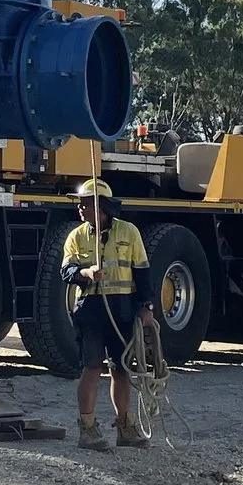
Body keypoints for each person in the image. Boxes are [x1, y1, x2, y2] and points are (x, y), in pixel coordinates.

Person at [61, 177, 154, 450]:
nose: (80, 209)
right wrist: (86, 274)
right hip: (90, 311)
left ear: (102, 205)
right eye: (79, 204)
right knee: (92, 368)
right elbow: (66, 272)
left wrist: (146, 308)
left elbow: (143, 273)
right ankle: (87, 428)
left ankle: (124, 426)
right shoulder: (75, 237)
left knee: (121, 370)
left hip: (122, 311)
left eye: (85, 204)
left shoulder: (129, 232)